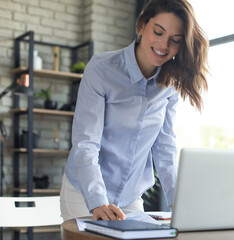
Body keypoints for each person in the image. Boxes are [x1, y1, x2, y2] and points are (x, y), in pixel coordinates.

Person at [60, 0, 208, 221]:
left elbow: (164, 147)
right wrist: (98, 202)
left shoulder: (170, 85)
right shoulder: (101, 69)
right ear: (141, 26)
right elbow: (85, 143)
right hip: (84, 194)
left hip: (130, 197)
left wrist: (179, 203)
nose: (164, 45)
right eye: (158, 32)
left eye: (175, 40)